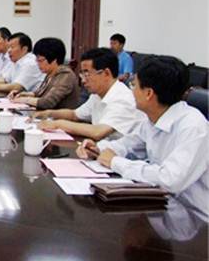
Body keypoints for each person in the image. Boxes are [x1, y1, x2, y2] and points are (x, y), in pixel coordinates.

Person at [77, 56, 208, 217]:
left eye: (134, 85)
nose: (131, 91)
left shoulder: (193, 126)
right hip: (161, 205)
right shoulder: (152, 118)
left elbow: (169, 180)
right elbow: (128, 145)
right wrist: (98, 149)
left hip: (194, 217)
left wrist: (115, 162)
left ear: (149, 93)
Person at [35, 48, 144, 140]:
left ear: (106, 73)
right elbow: (74, 115)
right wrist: (47, 113)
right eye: (82, 74)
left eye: (87, 74)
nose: (83, 80)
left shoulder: (122, 99)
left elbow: (98, 132)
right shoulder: (97, 95)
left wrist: (58, 124)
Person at [9, 37, 79, 110]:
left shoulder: (65, 75)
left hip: (58, 116)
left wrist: (23, 100)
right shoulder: (50, 73)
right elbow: (40, 94)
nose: (37, 64)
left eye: (40, 60)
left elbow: (47, 102)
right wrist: (23, 94)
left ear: (54, 60)